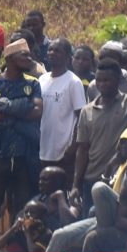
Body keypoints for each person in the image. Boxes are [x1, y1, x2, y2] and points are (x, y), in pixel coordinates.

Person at [0, 43, 43, 250]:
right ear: (11, 58)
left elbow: (37, 112)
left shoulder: (33, 83)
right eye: (24, 55)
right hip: (1, 153)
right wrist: (22, 109)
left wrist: (8, 113)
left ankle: (18, 249)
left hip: (23, 154)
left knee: (21, 204)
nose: (29, 59)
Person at [71, 54, 127, 197]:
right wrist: (76, 184)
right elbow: (82, 149)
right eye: (98, 80)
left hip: (118, 178)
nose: (102, 84)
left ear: (118, 80)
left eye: (107, 80)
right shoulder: (86, 111)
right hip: (91, 178)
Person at [36, 42, 86, 179]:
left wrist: (73, 147)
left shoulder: (73, 82)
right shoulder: (42, 79)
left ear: (68, 56)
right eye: (50, 50)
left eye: (57, 51)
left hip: (64, 150)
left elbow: (81, 117)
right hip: (43, 147)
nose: (52, 53)